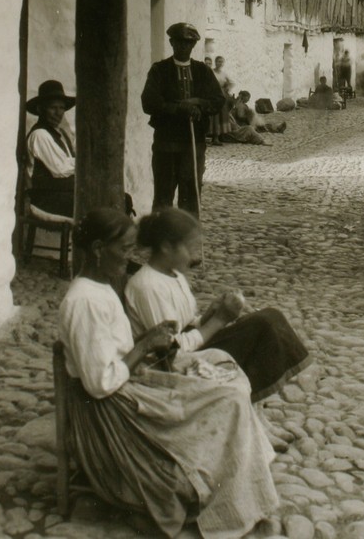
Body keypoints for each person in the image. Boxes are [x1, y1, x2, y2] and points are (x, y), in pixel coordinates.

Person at [58, 209, 279, 538]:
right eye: (124, 249)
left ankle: (246, 494)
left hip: (127, 386)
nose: (130, 257)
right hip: (111, 411)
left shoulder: (99, 288)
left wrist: (148, 342)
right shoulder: (84, 301)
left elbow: (114, 354)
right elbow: (99, 384)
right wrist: (145, 345)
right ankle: (235, 504)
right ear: (98, 249)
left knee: (224, 382)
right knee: (225, 401)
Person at [125, 210, 311, 403]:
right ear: (166, 247)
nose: (194, 256)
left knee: (269, 316)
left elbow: (187, 324)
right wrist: (218, 321)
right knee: (263, 324)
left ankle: (246, 398)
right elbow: (171, 350)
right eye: (189, 248)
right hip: (170, 366)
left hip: (187, 350)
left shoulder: (175, 276)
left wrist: (212, 313)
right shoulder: (147, 286)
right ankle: (241, 399)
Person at [141, 23, 224, 214]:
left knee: (191, 197)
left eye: (188, 43)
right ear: (171, 43)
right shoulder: (159, 70)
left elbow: (218, 100)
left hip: (193, 146)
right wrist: (179, 108)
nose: (184, 46)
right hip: (166, 145)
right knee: (163, 197)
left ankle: (188, 233)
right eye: (179, 42)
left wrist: (199, 103)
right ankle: (161, 233)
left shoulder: (203, 71)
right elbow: (149, 102)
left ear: (193, 45)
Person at [26, 79, 76, 220]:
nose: (58, 113)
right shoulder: (40, 134)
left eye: (61, 108)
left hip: (61, 193)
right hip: (45, 200)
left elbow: (68, 162)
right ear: (40, 109)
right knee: (96, 203)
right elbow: (61, 169)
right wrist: (84, 164)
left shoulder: (60, 134)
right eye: (53, 108)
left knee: (119, 199)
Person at [209, 56, 235, 146]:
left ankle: (219, 137)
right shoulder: (211, 72)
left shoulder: (224, 74)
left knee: (222, 116)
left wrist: (226, 89)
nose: (220, 63)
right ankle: (214, 137)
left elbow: (232, 82)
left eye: (221, 62)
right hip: (213, 95)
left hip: (222, 96)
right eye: (218, 61)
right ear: (215, 62)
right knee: (214, 116)